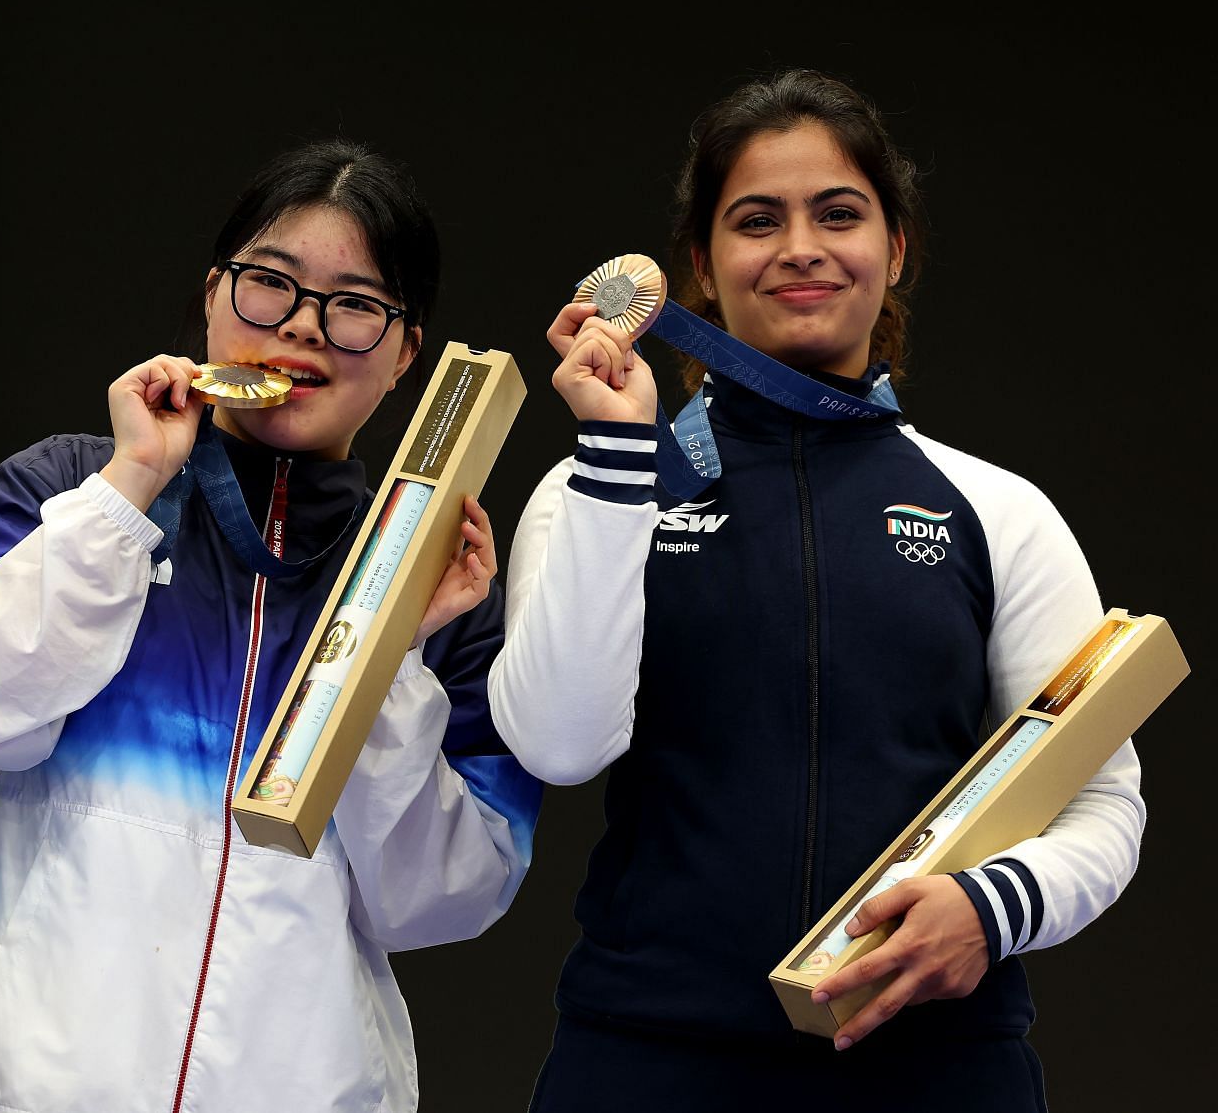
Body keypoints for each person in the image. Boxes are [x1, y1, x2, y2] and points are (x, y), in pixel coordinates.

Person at [489, 70, 1143, 1110]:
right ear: (699, 267)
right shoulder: (597, 483)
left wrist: (993, 905)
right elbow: (559, 744)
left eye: (839, 214)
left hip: (936, 1066)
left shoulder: (997, 508)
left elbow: (1102, 796)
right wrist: (619, 454)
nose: (800, 246)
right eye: (758, 220)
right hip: (646, 1060)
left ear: (896, 248)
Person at [0, 140, 542, 1111]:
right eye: (269, 284)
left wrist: (391, 657)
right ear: (212, 294)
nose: (301, 328)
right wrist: (127, 493)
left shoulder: (427, 582)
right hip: (30, 1082)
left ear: (408, 349)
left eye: (356, 304)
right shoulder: (68, 488)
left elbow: (438, 900)